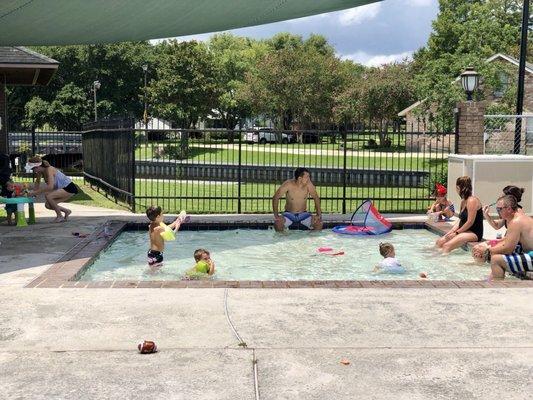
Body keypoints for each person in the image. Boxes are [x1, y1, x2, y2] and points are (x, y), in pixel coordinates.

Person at [472, 195, 533, 280]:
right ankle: (492, 279)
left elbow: (507, 249)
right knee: (495, 254)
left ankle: (498, 288)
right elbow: (507, 242)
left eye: (499, 209)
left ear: (509, 209)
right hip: (529, 253)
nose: (498, 212)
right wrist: (489, 248)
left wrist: (486, 251)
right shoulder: (516, 219)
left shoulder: (515, 222)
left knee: (496, 260)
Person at [436, 176, 483, 253]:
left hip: (474, 232)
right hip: (464, 230)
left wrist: (457, 233)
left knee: (446, 246)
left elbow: (470, 222)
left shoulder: (472, 201)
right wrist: (451, 232)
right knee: (440, 242)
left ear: (458, 188)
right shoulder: (463, 201)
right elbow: (461, 220)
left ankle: (444, 264)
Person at [26, 156, 78, 223]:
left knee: (49, 196)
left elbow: (50, 187)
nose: (33, 171)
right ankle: (66, 211)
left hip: (69, 188)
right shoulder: (40, 172)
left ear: (37, 167)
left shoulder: (49, 169)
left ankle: (60, 216)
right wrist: (34, 192)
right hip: (63, 188)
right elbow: (37, 182)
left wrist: (35, 193)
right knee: (48, 205)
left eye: (32, 169)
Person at [272, 167, 322, 232]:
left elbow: (316, 198)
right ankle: (285, 241)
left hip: (303, 214)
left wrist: (318, 215)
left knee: (319, 224)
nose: (309, 179)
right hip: (289, 214)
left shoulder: (308, 184)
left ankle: (307, 240)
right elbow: (275, 197)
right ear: (300, 178)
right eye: (307, 177)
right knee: (277, 224)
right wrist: (276, 215)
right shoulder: (288, 184)